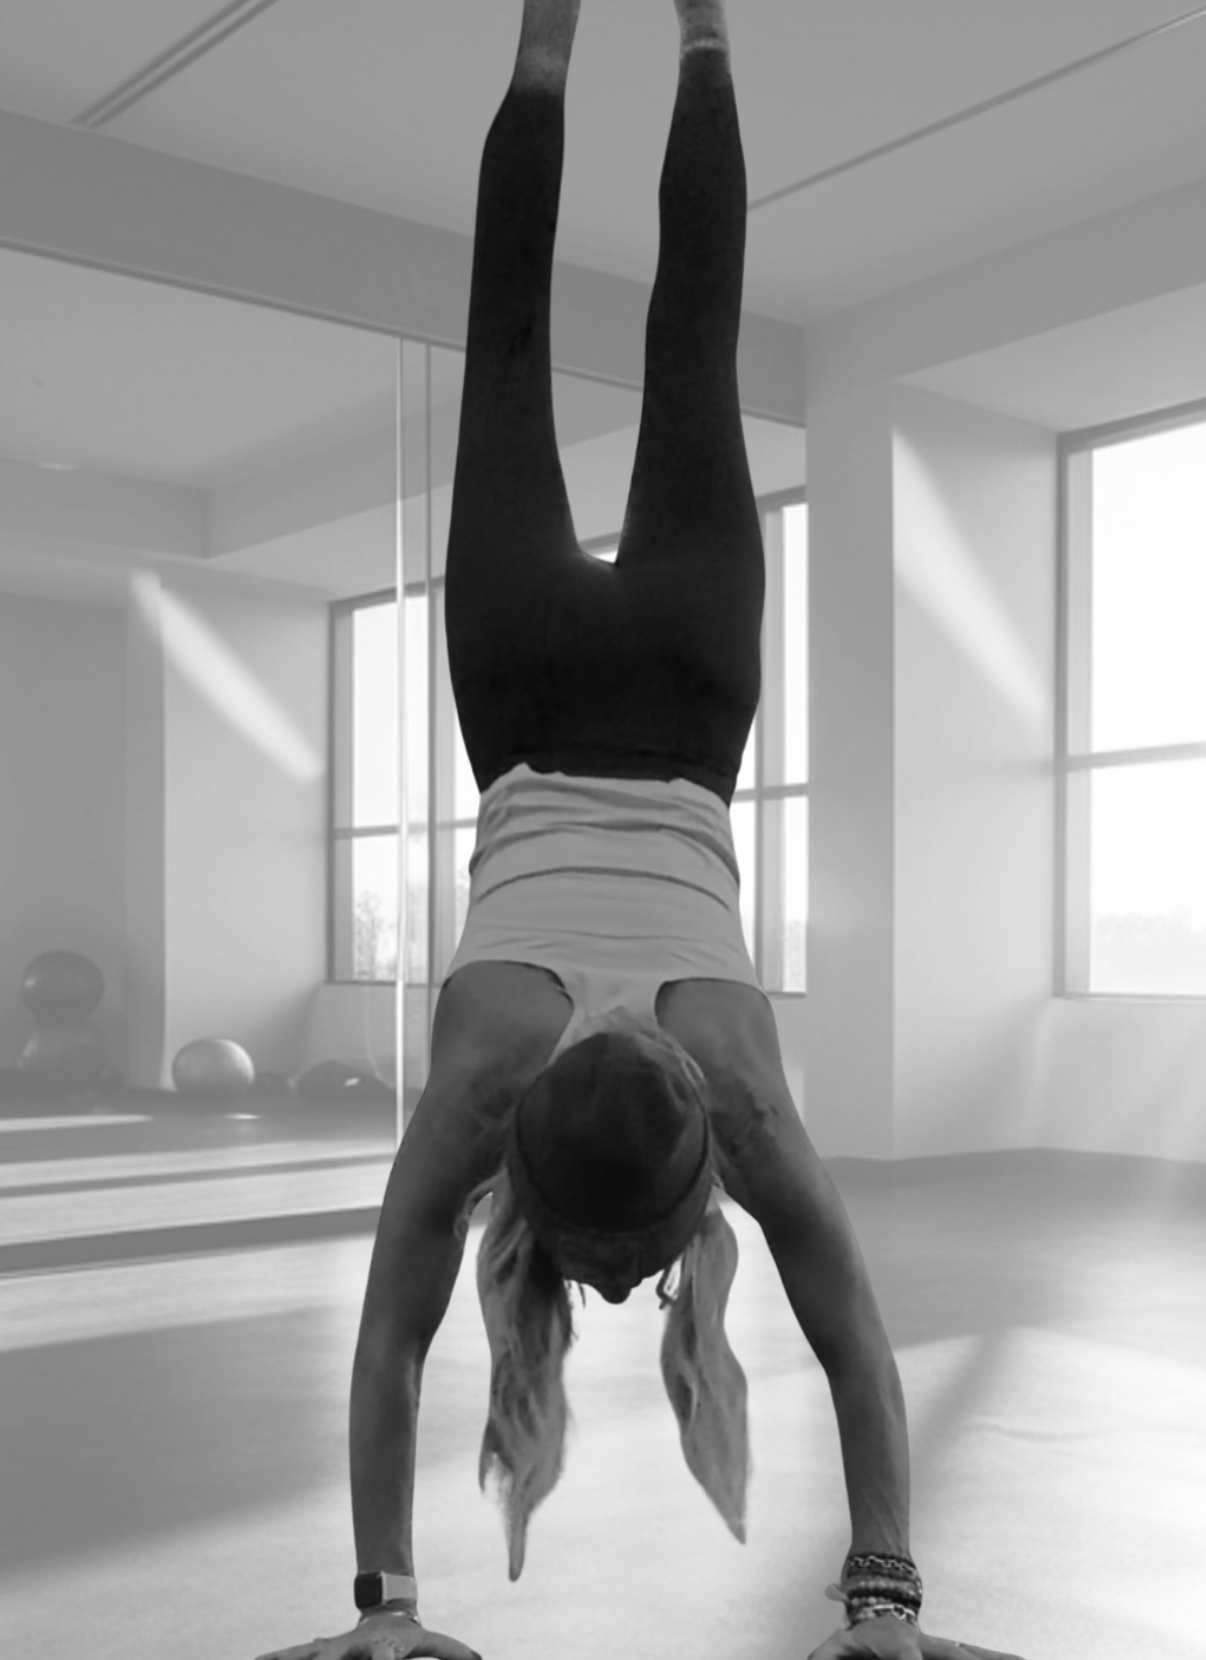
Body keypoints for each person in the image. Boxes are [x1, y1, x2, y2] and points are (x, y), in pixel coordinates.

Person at [256, 4, 1027, 1659]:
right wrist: (881, 1611)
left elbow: (839, 1341)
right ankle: (558, 38)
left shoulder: (730, 1094)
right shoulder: (496, 1085)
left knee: (698, 341)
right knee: (512, 335)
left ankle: (694, 33)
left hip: (687, 700)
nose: (607, 1303)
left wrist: (394, 1622)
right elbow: (399, 1340)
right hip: (526, 691)